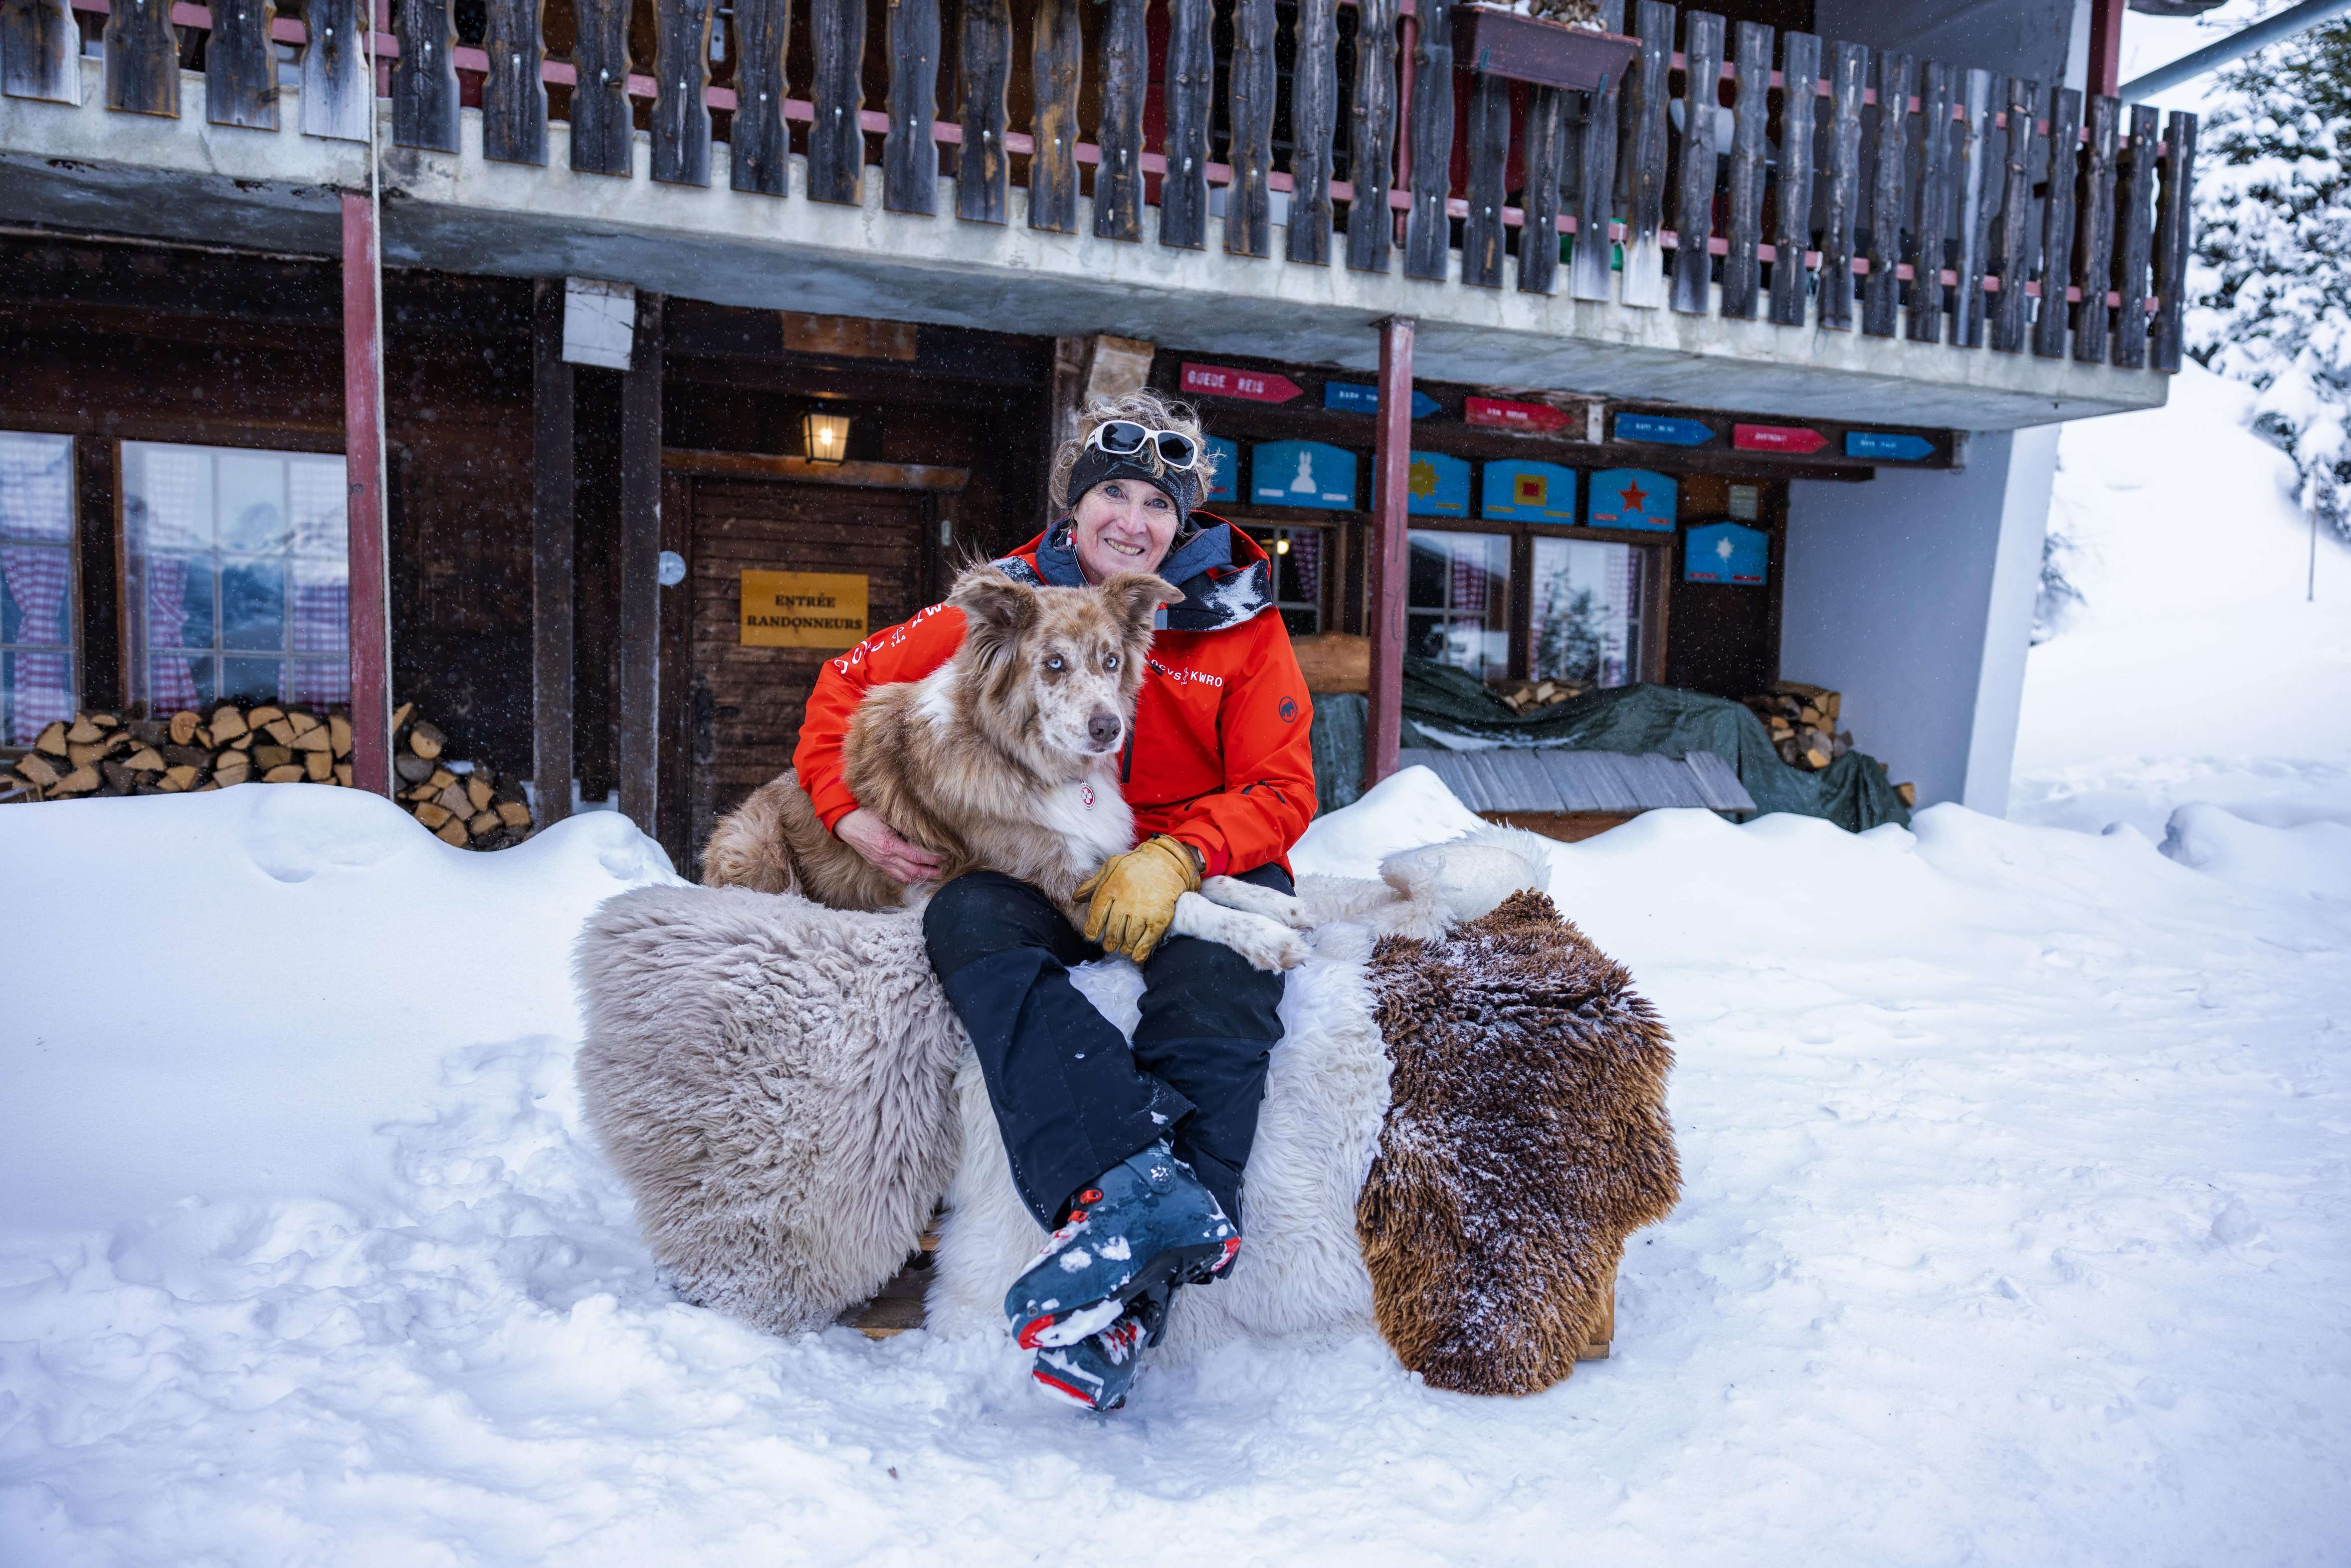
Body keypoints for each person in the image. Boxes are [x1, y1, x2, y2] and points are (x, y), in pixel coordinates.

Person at [791, 390, 1316, 1409]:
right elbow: (845, 684)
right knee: (967, 919)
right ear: (1074, 507)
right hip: (1046, 854)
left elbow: (1282, 788)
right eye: (1110, 494)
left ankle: (1121, 1306)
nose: (1131, 520)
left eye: (1156, 505)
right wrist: (844, 811)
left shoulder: (1238, 626)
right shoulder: (1011, 604)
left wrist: (1179, 856)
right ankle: (1126, 1190)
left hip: (1196, 863)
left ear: (1185, 521)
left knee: (1214, 994)